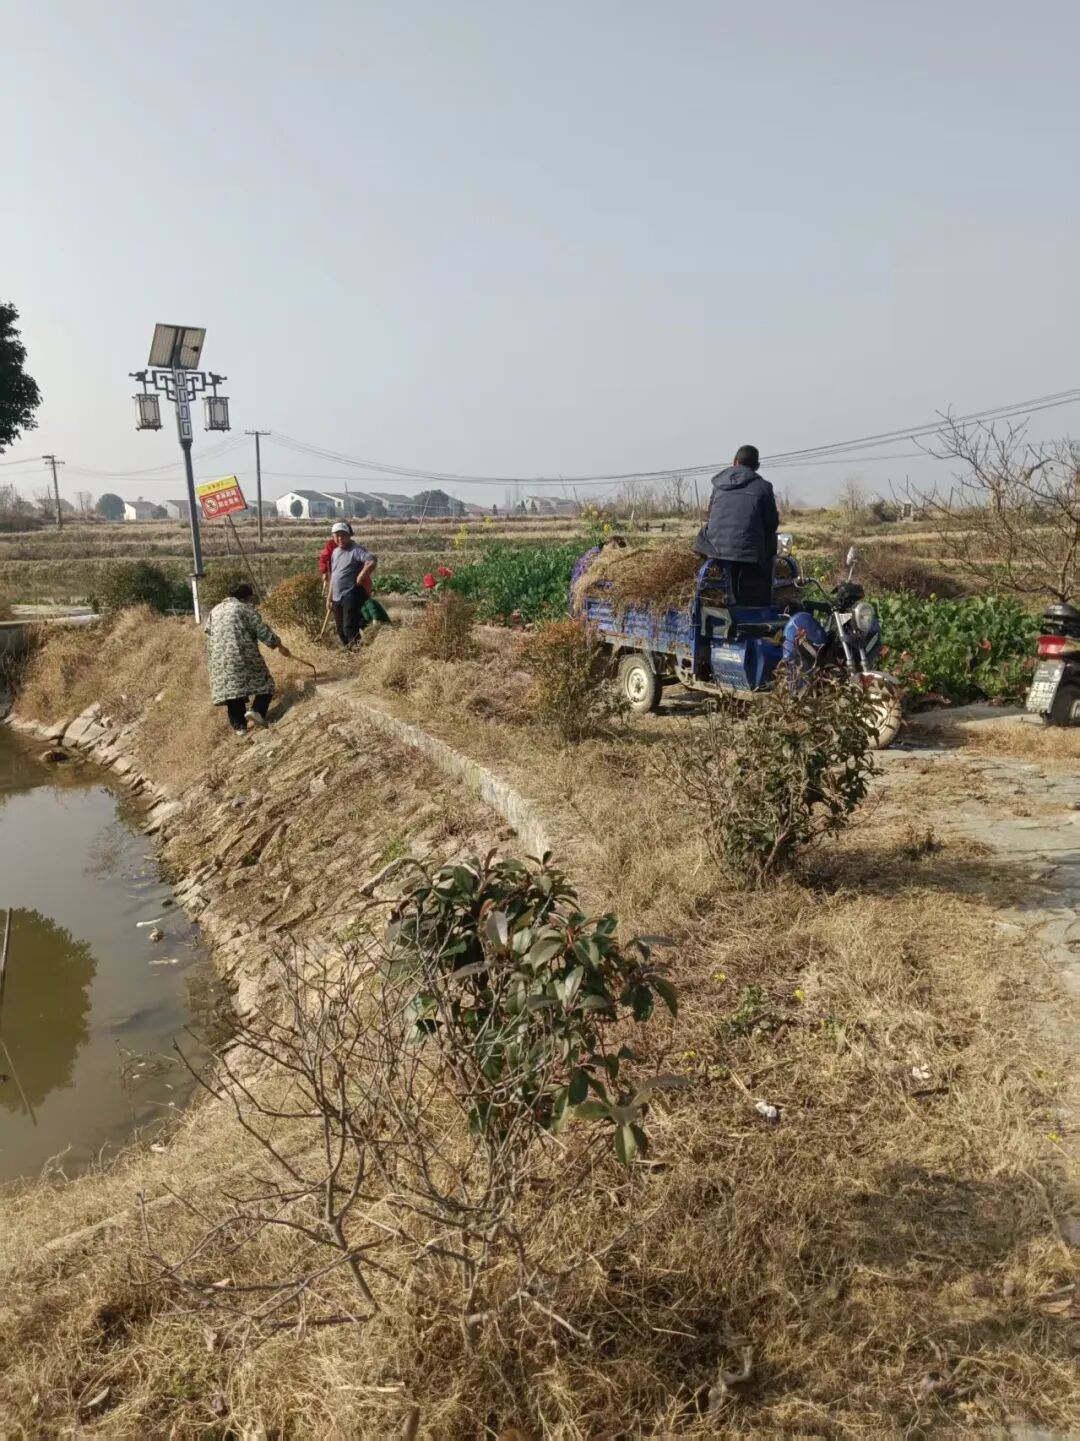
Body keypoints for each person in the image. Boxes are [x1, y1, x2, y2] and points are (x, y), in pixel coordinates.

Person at [691, 445, 779, 605]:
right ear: (757, 466)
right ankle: (765, 596)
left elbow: (711, 515)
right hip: (749, 553)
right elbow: (771, 524)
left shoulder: (718, 485)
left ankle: (707, 580)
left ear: (734, 462)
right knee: (772, 540)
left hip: (716, 550)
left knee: (703, 534)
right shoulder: (764, 487)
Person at [204, 582, 292, 735]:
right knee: (266, 683)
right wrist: (278, 645)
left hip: (218, 660)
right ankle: (257, 711)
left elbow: (208, 633)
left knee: (232, 690)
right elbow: (262, 630)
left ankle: (239, 727)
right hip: (242, 654)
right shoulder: (244, 609)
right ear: (245, 598)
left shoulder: (214, 611)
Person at [327, 521, 378, 647]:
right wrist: (329, 598)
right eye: (337, 535)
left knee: (349, 628)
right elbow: (334, 576)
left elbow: (372, 561)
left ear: (349, 536)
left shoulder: (356, 550)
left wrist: (362, 575)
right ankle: (350, 652)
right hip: (337, 596)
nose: (340, 538)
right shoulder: (335, 552)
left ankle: (358, 652)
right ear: (333, 537)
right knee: (340, 630)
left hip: (350, 593)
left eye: (343, 535)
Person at [569, 533, 627, 612]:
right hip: (582, 593)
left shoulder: (603, 556)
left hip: (585, 592)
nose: (615, 551)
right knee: (579, 611)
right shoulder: (593, 556)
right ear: (606, 544)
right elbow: (589, 577)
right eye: (613, 547)